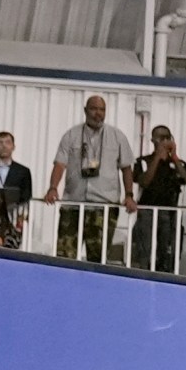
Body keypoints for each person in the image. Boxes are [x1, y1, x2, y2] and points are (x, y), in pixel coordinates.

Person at [43, 95, 136, 264]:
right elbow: (59, 163)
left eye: (102, 110)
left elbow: (126, 168)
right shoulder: (71, 135)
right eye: (94, 109)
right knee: (65, 255)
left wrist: (129, 195)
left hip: (104, 206)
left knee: (98, 258)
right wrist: (52, 187)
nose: (98, 113)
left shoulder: (117, 136)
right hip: (73, 204)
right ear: (85, 110)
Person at [131, 125, 186, 273]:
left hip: (170, 213)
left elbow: (185, 178)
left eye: (167, 137)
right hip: (147, 211)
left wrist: (174, 156)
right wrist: (158, 157)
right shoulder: (143, 161)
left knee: (168, 253)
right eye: (160, 138)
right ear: (153, 140)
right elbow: (144, 182)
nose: (165, 141)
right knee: (146, 252)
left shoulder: (179, 163)